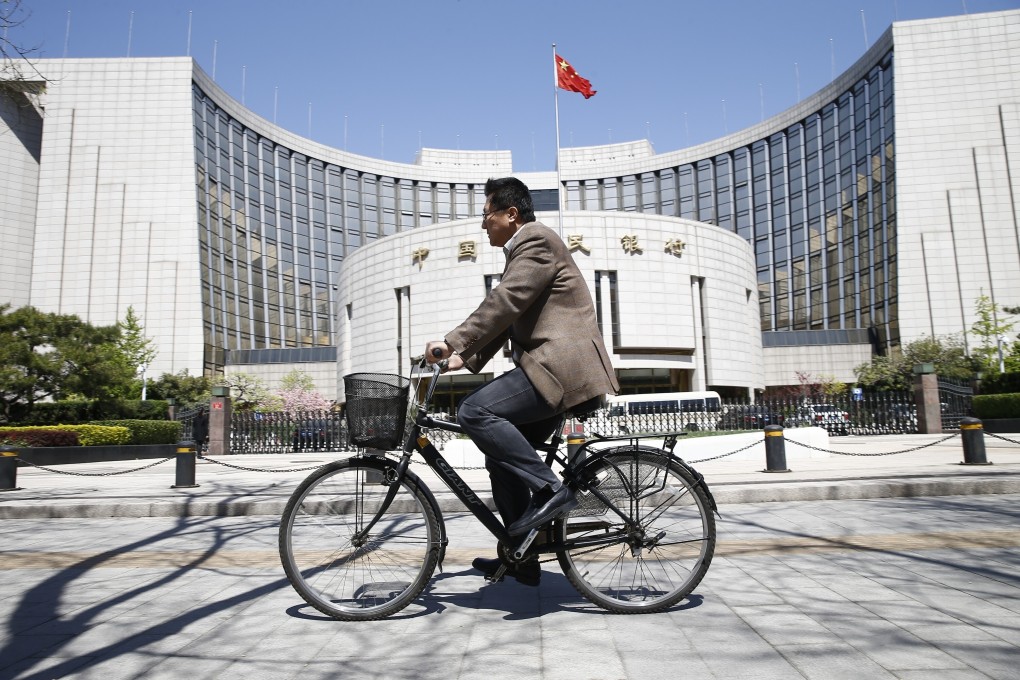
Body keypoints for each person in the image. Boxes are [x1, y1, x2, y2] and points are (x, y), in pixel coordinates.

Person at [426, 177, 619, 586]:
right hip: (551, 366)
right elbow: (511, 314)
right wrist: (463, 356)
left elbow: (506, 301)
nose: (483, 226)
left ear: (510, 214)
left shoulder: (536, 242)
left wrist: (451, 340)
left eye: (486, 216)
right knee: (500, 457)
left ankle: (551, 492)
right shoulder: (526, 247)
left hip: (560, 366)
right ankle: (522, 557)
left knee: (474, 410)